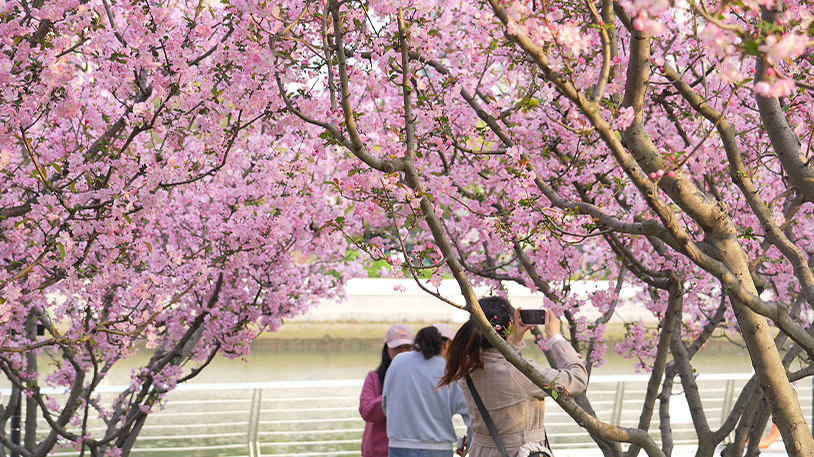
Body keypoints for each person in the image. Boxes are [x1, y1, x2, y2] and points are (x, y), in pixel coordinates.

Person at [439, 297, 588, 457]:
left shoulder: (466, 366)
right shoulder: (520, 374)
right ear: (508, 327)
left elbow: (498, 363)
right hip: (518, 452)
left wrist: (513, 338)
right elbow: (577, 379)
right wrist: (555, 337)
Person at [383, 324, 472, 457]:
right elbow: (470, 413)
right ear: (447, 345)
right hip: (438, 449)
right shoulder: (449, 370)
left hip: (400, 446)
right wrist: (469, 443)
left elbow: (386, 403)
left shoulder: (399, 361)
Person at [361, 324, 415, 457]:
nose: (402, 352)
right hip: (377, 451)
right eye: (397, 348)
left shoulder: (420, 378)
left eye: (407, 347)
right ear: (387, 350)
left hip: (412, 449)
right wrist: (393, 394)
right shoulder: (374, 378)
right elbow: (367, 411)